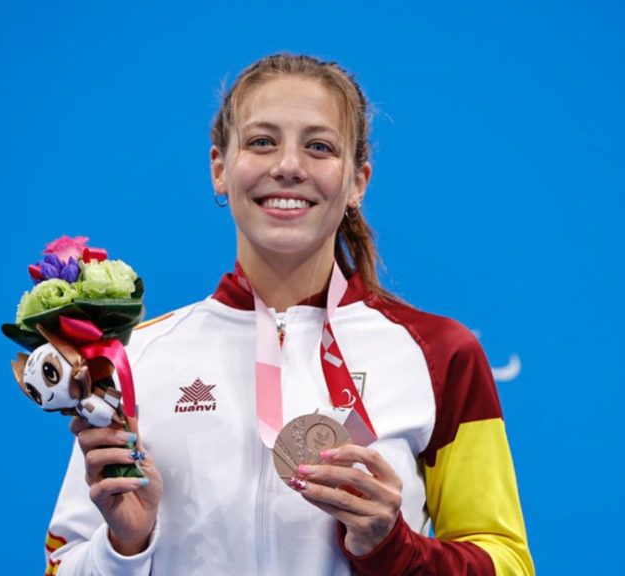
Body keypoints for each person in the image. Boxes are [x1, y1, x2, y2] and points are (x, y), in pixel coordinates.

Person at [44, 53, 535, 576]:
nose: (289, 166)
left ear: (357, 183)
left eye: (319, 147)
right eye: (261, 141)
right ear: (219, 168)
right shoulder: (135, 358)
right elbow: (62, 562)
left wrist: (394, 548)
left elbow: (507, 562)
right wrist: (125, 545)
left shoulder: (439, 353)